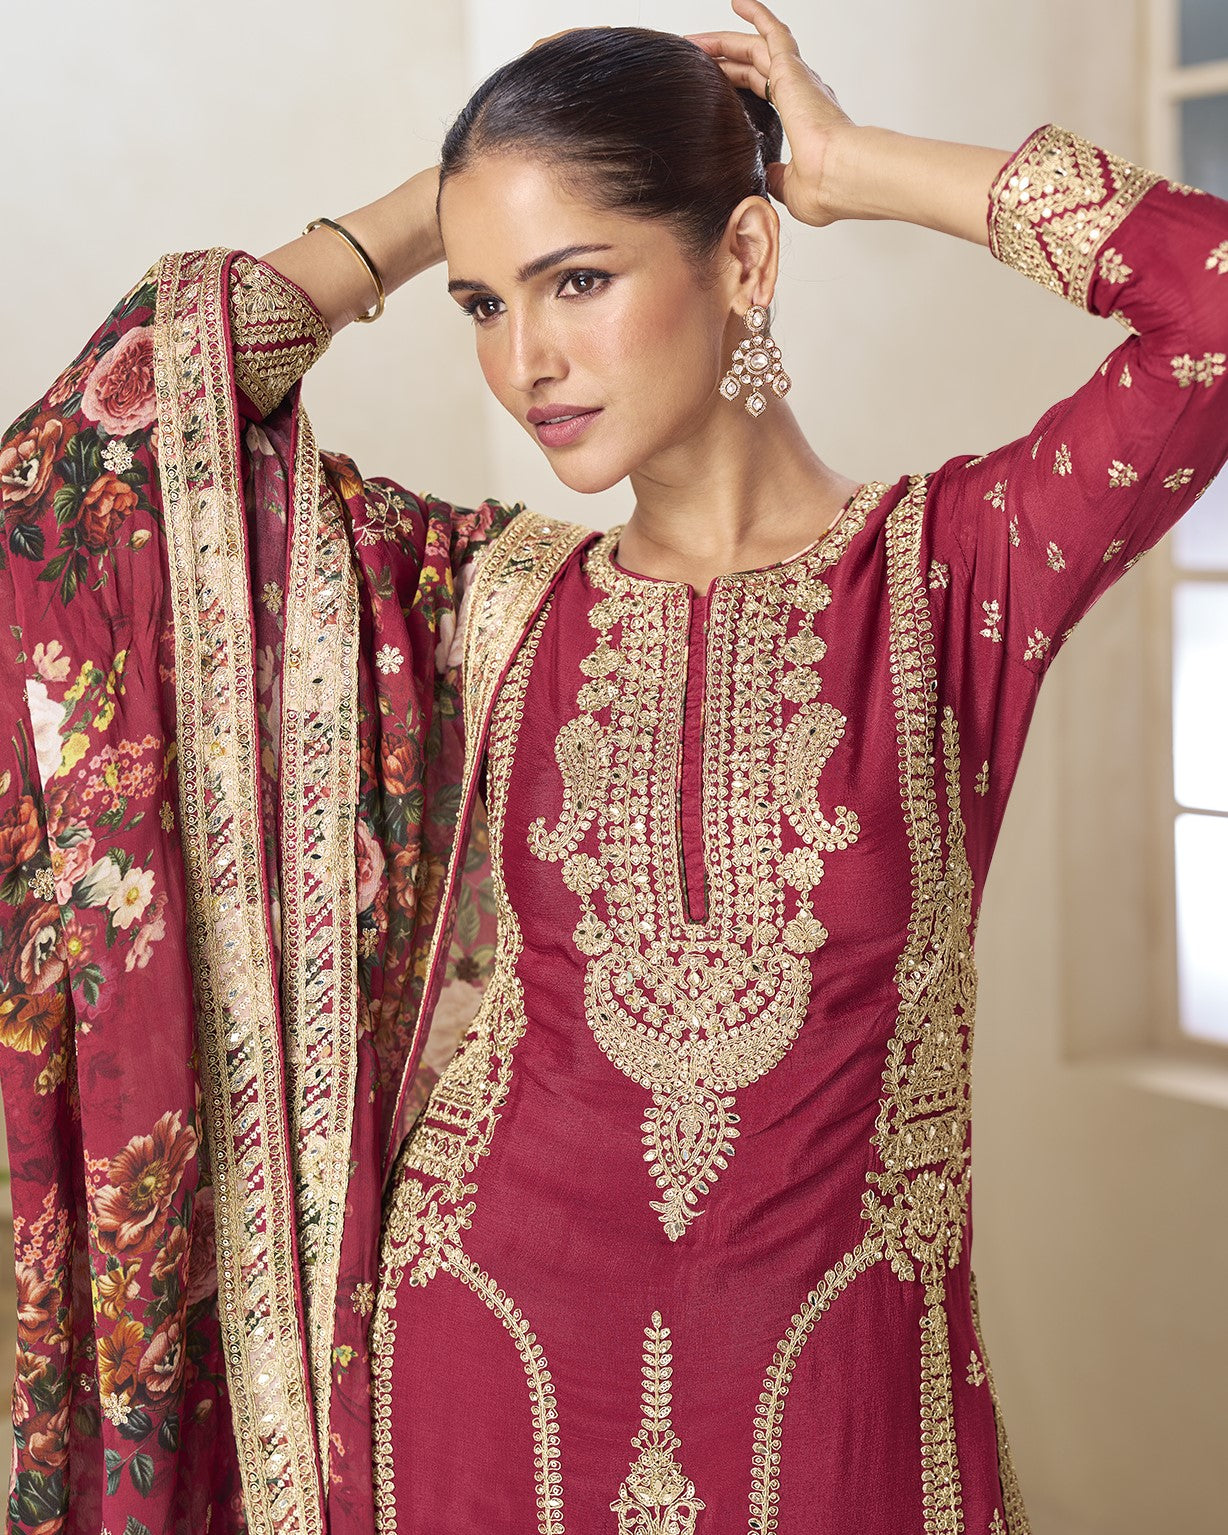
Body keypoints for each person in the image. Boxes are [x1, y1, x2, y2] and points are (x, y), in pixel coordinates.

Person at [1, 1, 1225, 1530]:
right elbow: (99, 451)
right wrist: (431, 211)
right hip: (474, 1387)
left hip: (839, 1414)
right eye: (482, 303)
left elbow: (1218, 304)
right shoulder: (477, 604)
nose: (529, 360)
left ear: (747, 261)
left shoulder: (948, 578)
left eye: (578, 280)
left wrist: (849, 163)